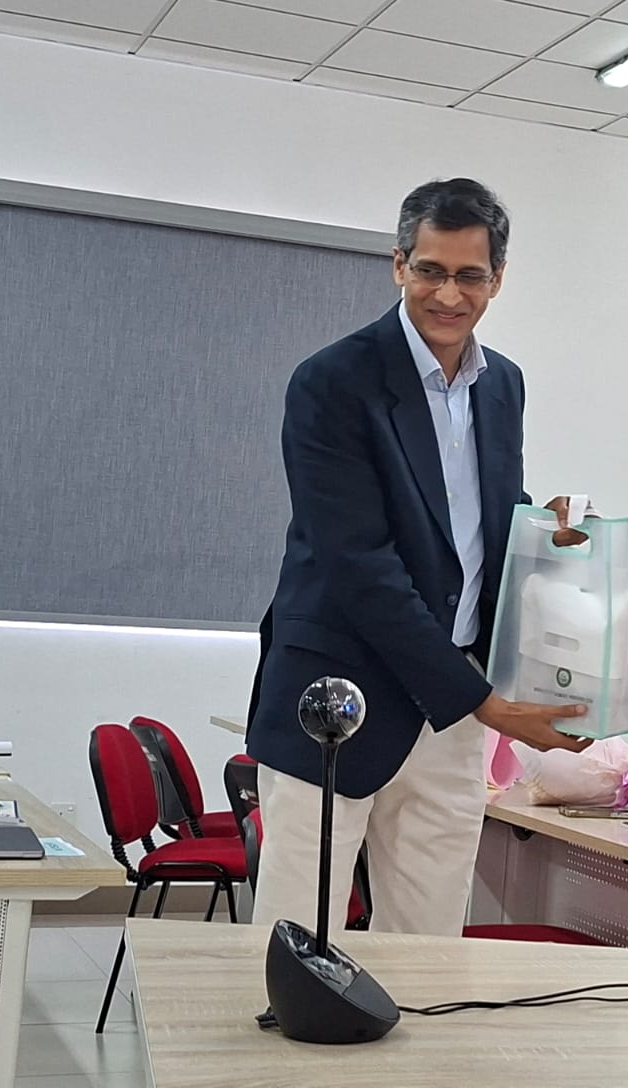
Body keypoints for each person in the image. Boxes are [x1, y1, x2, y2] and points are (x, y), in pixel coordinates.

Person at [246, 178, 590, 939]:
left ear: (497, 279)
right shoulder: (333, 380)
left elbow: (478, 514)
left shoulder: (503, 385)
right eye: (430, 270)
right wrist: (482, 703)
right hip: (339, 692)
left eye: (470, 275)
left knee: (429, 942)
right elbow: (358, 561)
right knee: (300, 939)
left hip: (452, 703)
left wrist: (544, 530)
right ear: (398, 264)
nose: (449, 294)